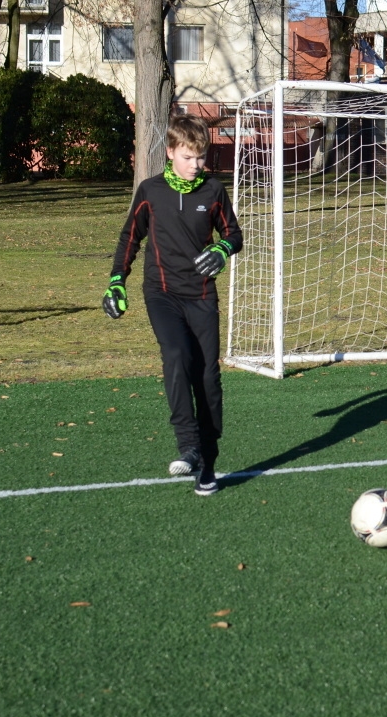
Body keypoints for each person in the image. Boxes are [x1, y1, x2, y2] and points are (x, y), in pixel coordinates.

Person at [102, 113, 243, 495]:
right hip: (161, 293)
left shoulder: (212, 191)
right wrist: (117, 281)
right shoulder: (151, 191)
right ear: (170, 152)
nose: (197, 165)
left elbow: (233, 233)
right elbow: (130, 237)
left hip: (201, 296)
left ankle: (207, 462)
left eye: (201, 157)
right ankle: (188, 445)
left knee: (208, 377)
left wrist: (222, 248)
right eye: (189, 157)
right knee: (178, 356)